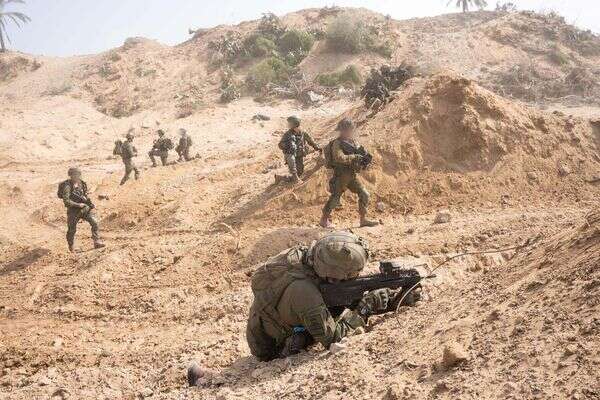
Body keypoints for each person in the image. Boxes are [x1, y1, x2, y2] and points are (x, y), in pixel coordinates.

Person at [244, 231, 391, 362]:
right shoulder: (305, 292)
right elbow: (334, 338)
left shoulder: (309, 259)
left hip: (281, 318)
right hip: (272, 347)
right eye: (352, 274)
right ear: (333, 274)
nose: (356, 277)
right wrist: (365, 309)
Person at [320, 118, 379, 228]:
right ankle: (324, 220)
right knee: (335, 198)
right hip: (341, 175)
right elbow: (339, 157)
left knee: (364, 194)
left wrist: (364, 159)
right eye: (348, 130)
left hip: (352, 174)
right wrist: (354, 157)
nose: (350, 132)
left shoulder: (353, 142)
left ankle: (363, 219)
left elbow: (361, 154)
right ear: (343, 130)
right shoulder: (337, 143)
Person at [59, 167, 105, 252]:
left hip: (84, 209)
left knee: (95, 222)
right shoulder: (67, 186)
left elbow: (85, 196)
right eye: (74, 174)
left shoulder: (82, 184)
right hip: (73, 211)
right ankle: (71, 247)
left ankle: (97, 241)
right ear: (70, 175)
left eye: (78, 174)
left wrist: (89, 204)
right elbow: (66, 201)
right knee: (72, 230)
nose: (76, 176)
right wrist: (78, 205)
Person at [275, 116, 321, 184]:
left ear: (295, 124)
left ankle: (280, 177)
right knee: (291, 160)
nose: (288, 125)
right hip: (291, 154)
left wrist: (317, 147)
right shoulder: (287, 134)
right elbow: (280, 145)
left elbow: (310, 141)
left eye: (290, 123)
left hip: (299, 155)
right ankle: (295, 177)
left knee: (300, 172)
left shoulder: (303, 132)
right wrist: (287, 145)